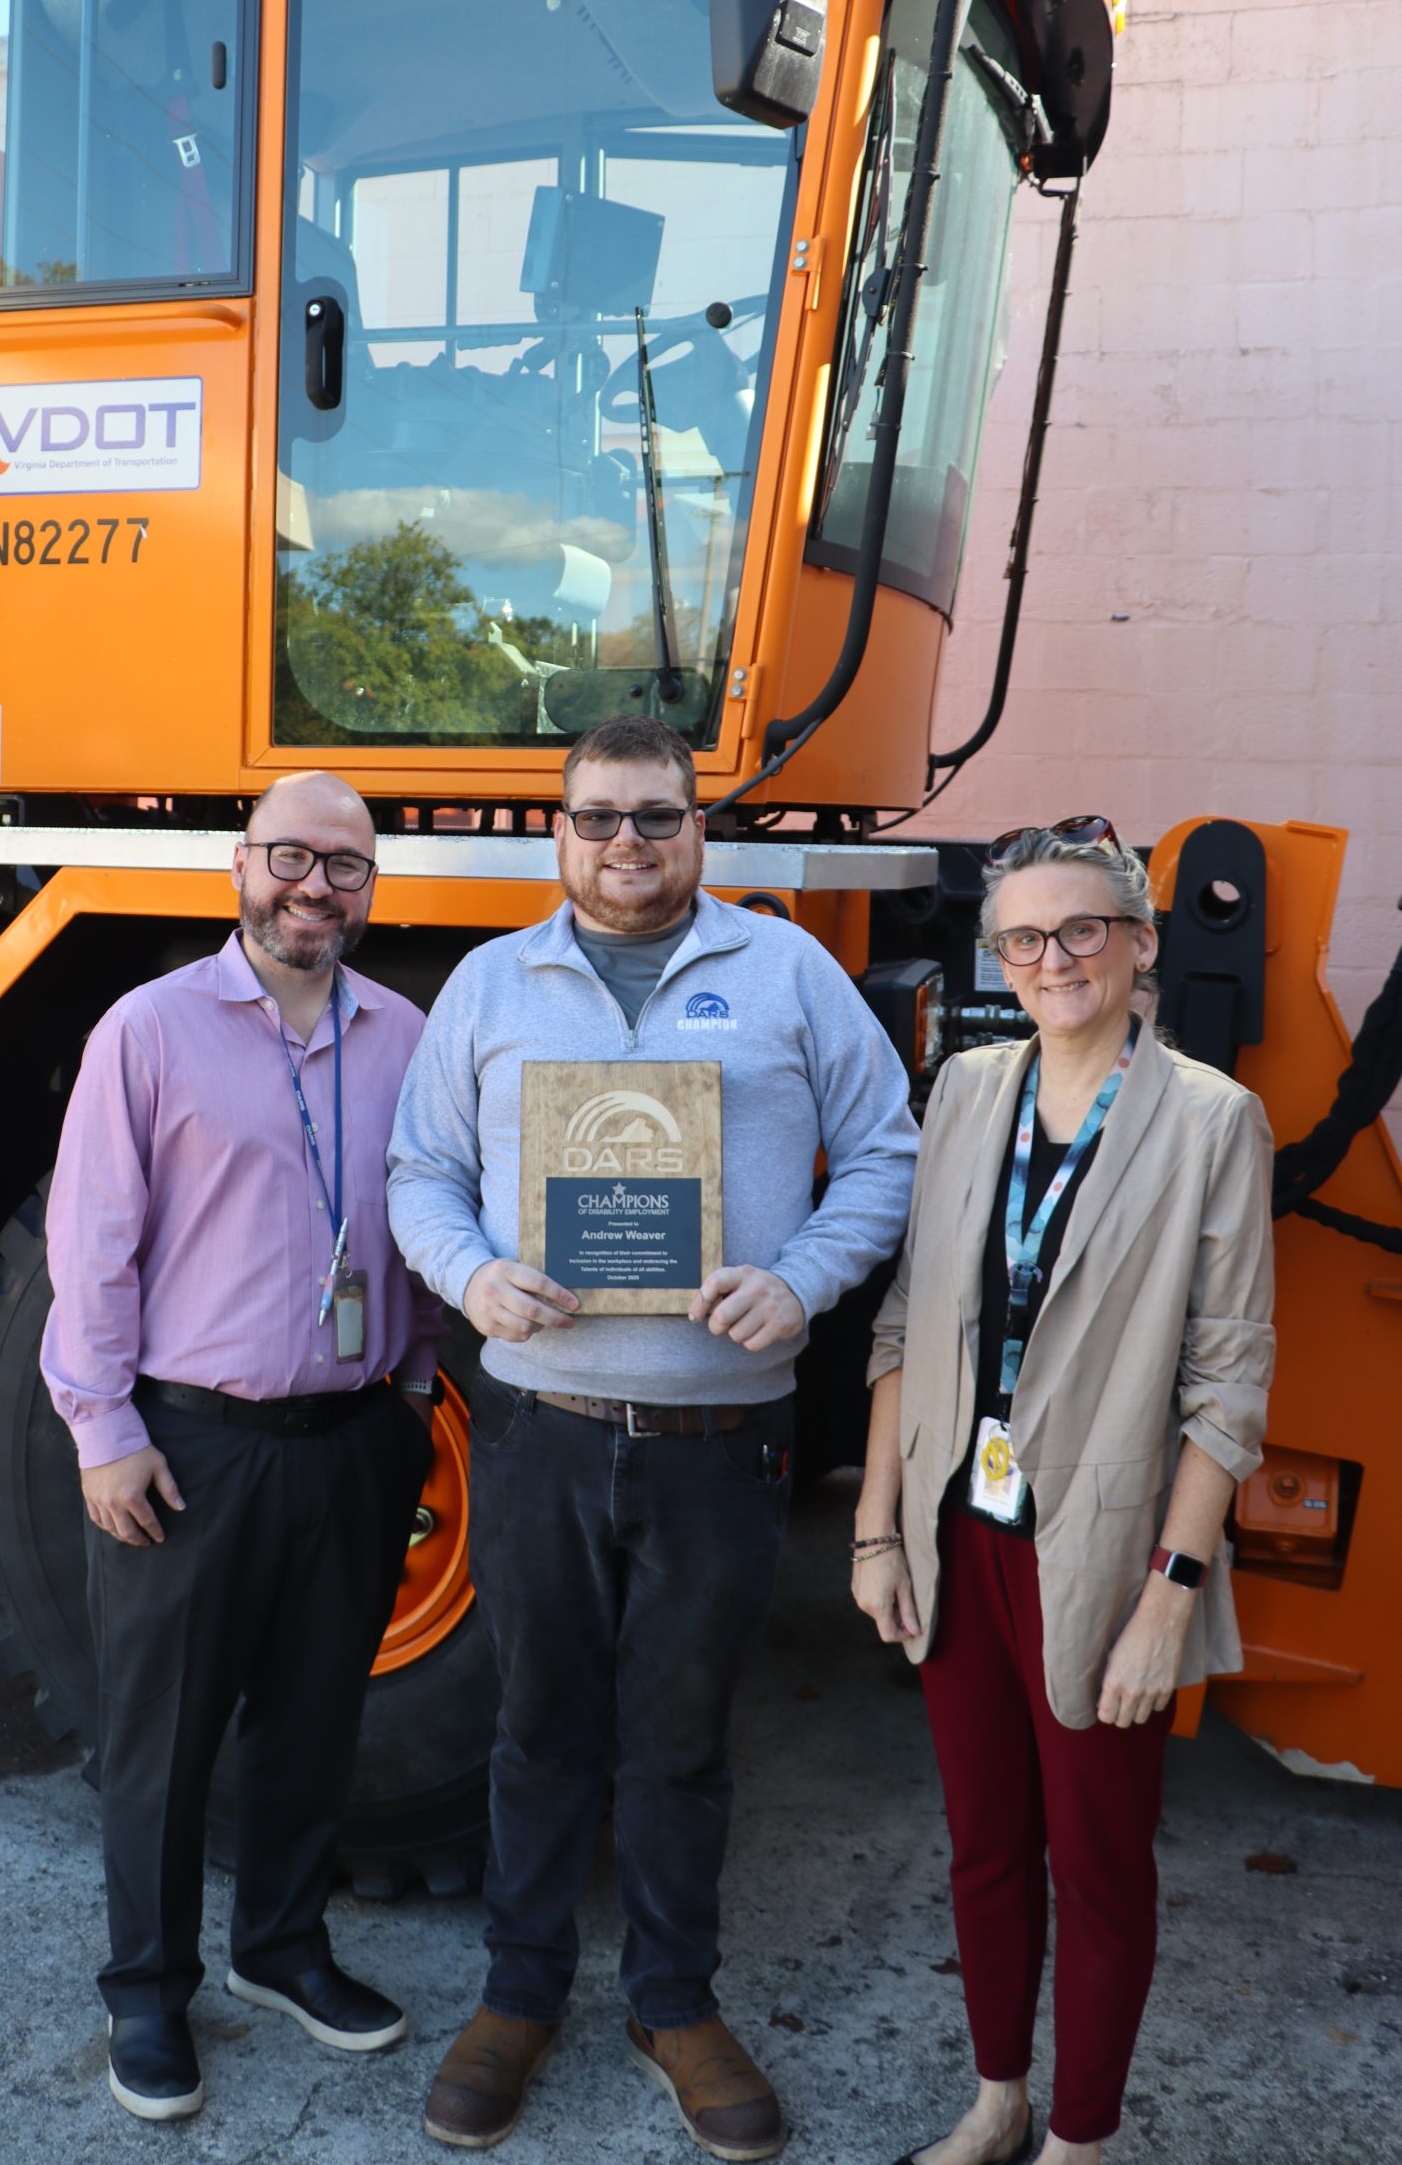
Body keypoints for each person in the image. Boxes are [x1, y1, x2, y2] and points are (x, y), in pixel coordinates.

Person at [387, 715, 918, 2159]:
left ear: (701, 832)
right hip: (542, 1429)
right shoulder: (494, 985)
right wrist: (472, 1277)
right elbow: (419, 1172)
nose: (632, 843)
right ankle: (519, 1994)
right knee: (539, 1729)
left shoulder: (791, 971)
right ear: (559, 837)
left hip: (721, 1439)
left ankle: (674, 2005)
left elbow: (887, 1150)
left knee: (682, 1744)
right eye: (604, 818)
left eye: (660, 818)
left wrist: (802, 1277)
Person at [853, 818, 1276, 2165]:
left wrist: (1173, 1596)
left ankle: (1080, 2140)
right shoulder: (968, 1088)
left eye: (1083, 928)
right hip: (954, 1529)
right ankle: (996, 2101)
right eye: (1025, 938)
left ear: (1141, 944)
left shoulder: (1212, 1119)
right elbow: (906, 1330)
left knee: (1097, 1867)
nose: (1055, 957)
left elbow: (1227, 1384)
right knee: (983, 1843)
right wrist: (876, 1527)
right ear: (1000, 957)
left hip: (1098, 1553)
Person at [41, 772, 444, 2123]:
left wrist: (415, 1391)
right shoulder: (148, 1030)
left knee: (316, 1720)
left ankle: (280, 1949)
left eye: (345, 865)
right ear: (240, 865)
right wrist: (102, 1431)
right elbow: (89, 1247)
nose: (313, 886)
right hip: (191, 1444)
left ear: (370, 887)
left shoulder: (406, 1035)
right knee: (163, 1737)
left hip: (356, 1437)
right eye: (291, 856)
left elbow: (430, 1219)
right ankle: (149, 1995)